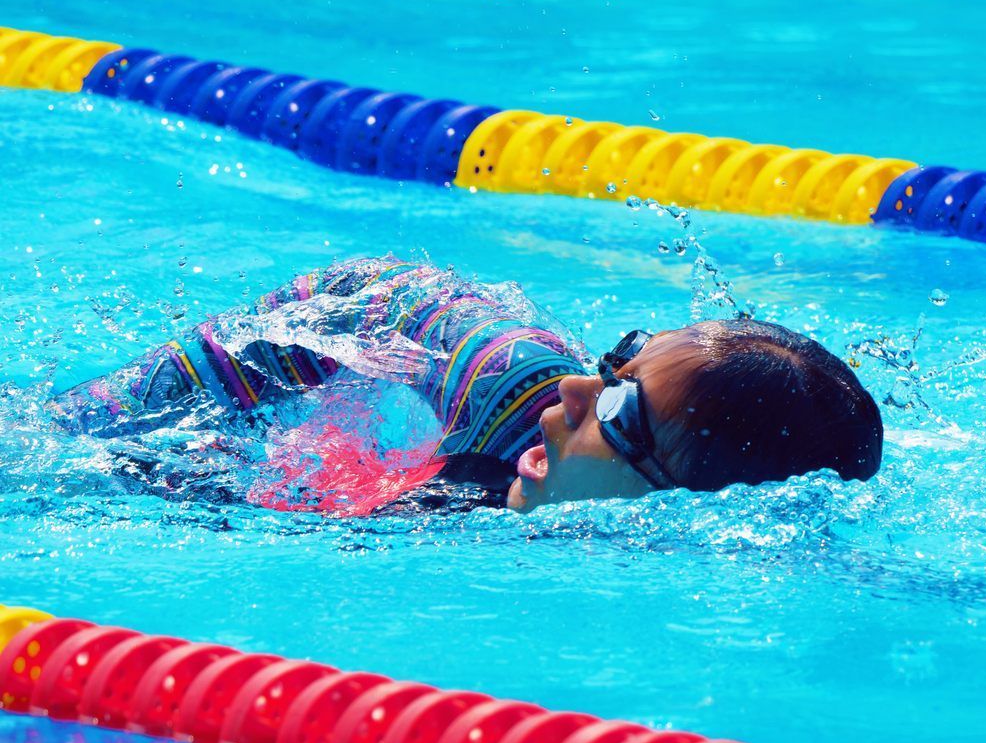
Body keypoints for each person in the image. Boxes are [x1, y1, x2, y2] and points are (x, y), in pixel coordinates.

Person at [48, 255, 884, 514]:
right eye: (612, 367)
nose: (579, 396)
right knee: (69, 453)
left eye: (620, 408)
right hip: (354, 308)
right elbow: (370, 301)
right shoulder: (514, 395)